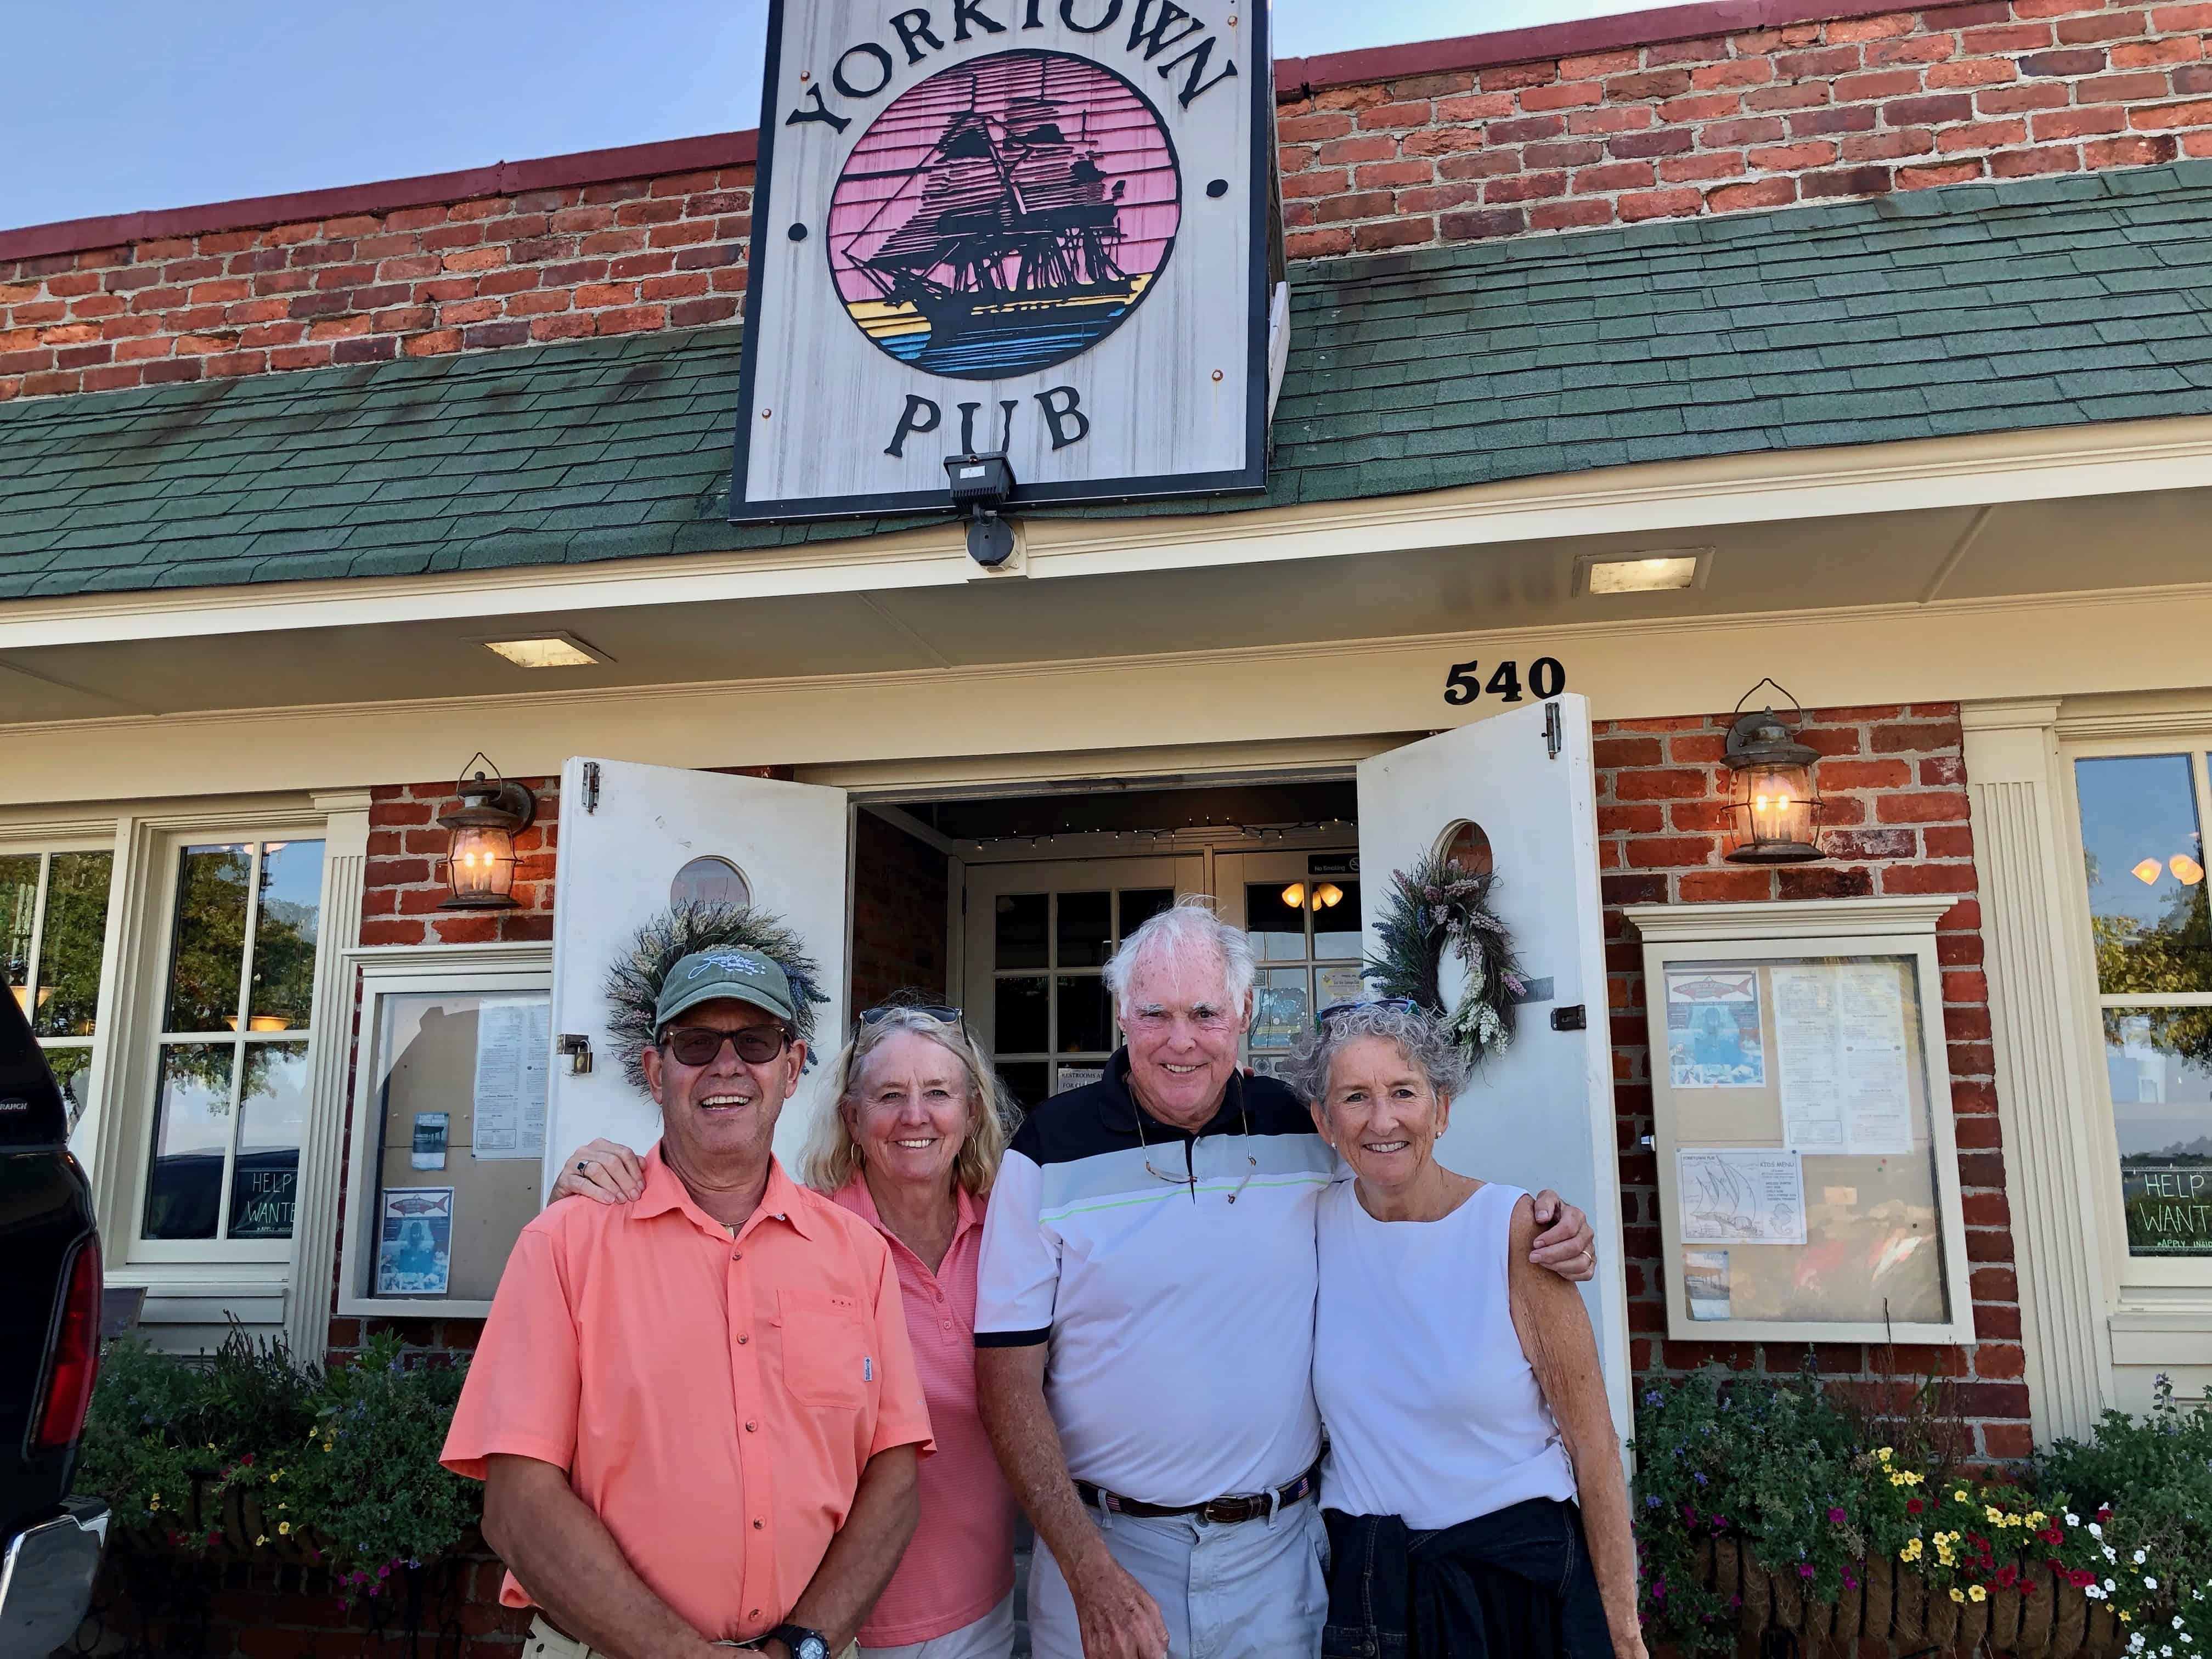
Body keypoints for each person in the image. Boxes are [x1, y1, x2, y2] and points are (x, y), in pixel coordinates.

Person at [972, 896, 1600, 1659]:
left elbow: (1407, 1184)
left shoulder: (1303, 1127)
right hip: (1108, 1553)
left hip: (1277, 1560)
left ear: (1242, 1014)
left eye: (1205, 1013)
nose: (1180, 1041)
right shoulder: (1045, 1150)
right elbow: (1006, 1381)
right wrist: (1085, 1569)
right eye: (1156, 1014)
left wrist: (1538, 1224)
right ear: (1121, 1016)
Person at [442, 944, 935, 1659]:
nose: (727, 1066)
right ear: (655, 1071)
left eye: (756, 1042)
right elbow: (518, 1504)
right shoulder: (564, 1244)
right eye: (697, 1043)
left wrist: (802, 1645)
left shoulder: (858, 1254)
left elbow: (893, 1480)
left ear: (792, 1068)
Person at [555, 1003, 1021, 1659]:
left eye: (939, 1093)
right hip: (825, 1627)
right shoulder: (800, 1233)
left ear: (972, 1112)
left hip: (976, 1607)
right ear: (852, 1118)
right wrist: (578, 1199)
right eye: (889, 1095)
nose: (915, 1116)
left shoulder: (1016, 1236)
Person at [1288, 1000, 1642, 1659]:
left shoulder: (1514, 1230)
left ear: (1442, 1110)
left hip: (1512, 1589)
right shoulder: (1309, 1222)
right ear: (1324, 1122)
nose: (1383, 1120)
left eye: (1404, 1092)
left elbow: (1593, 1447)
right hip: (1376, 1594)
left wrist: (1624, 1632)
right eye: (1356, 1097)